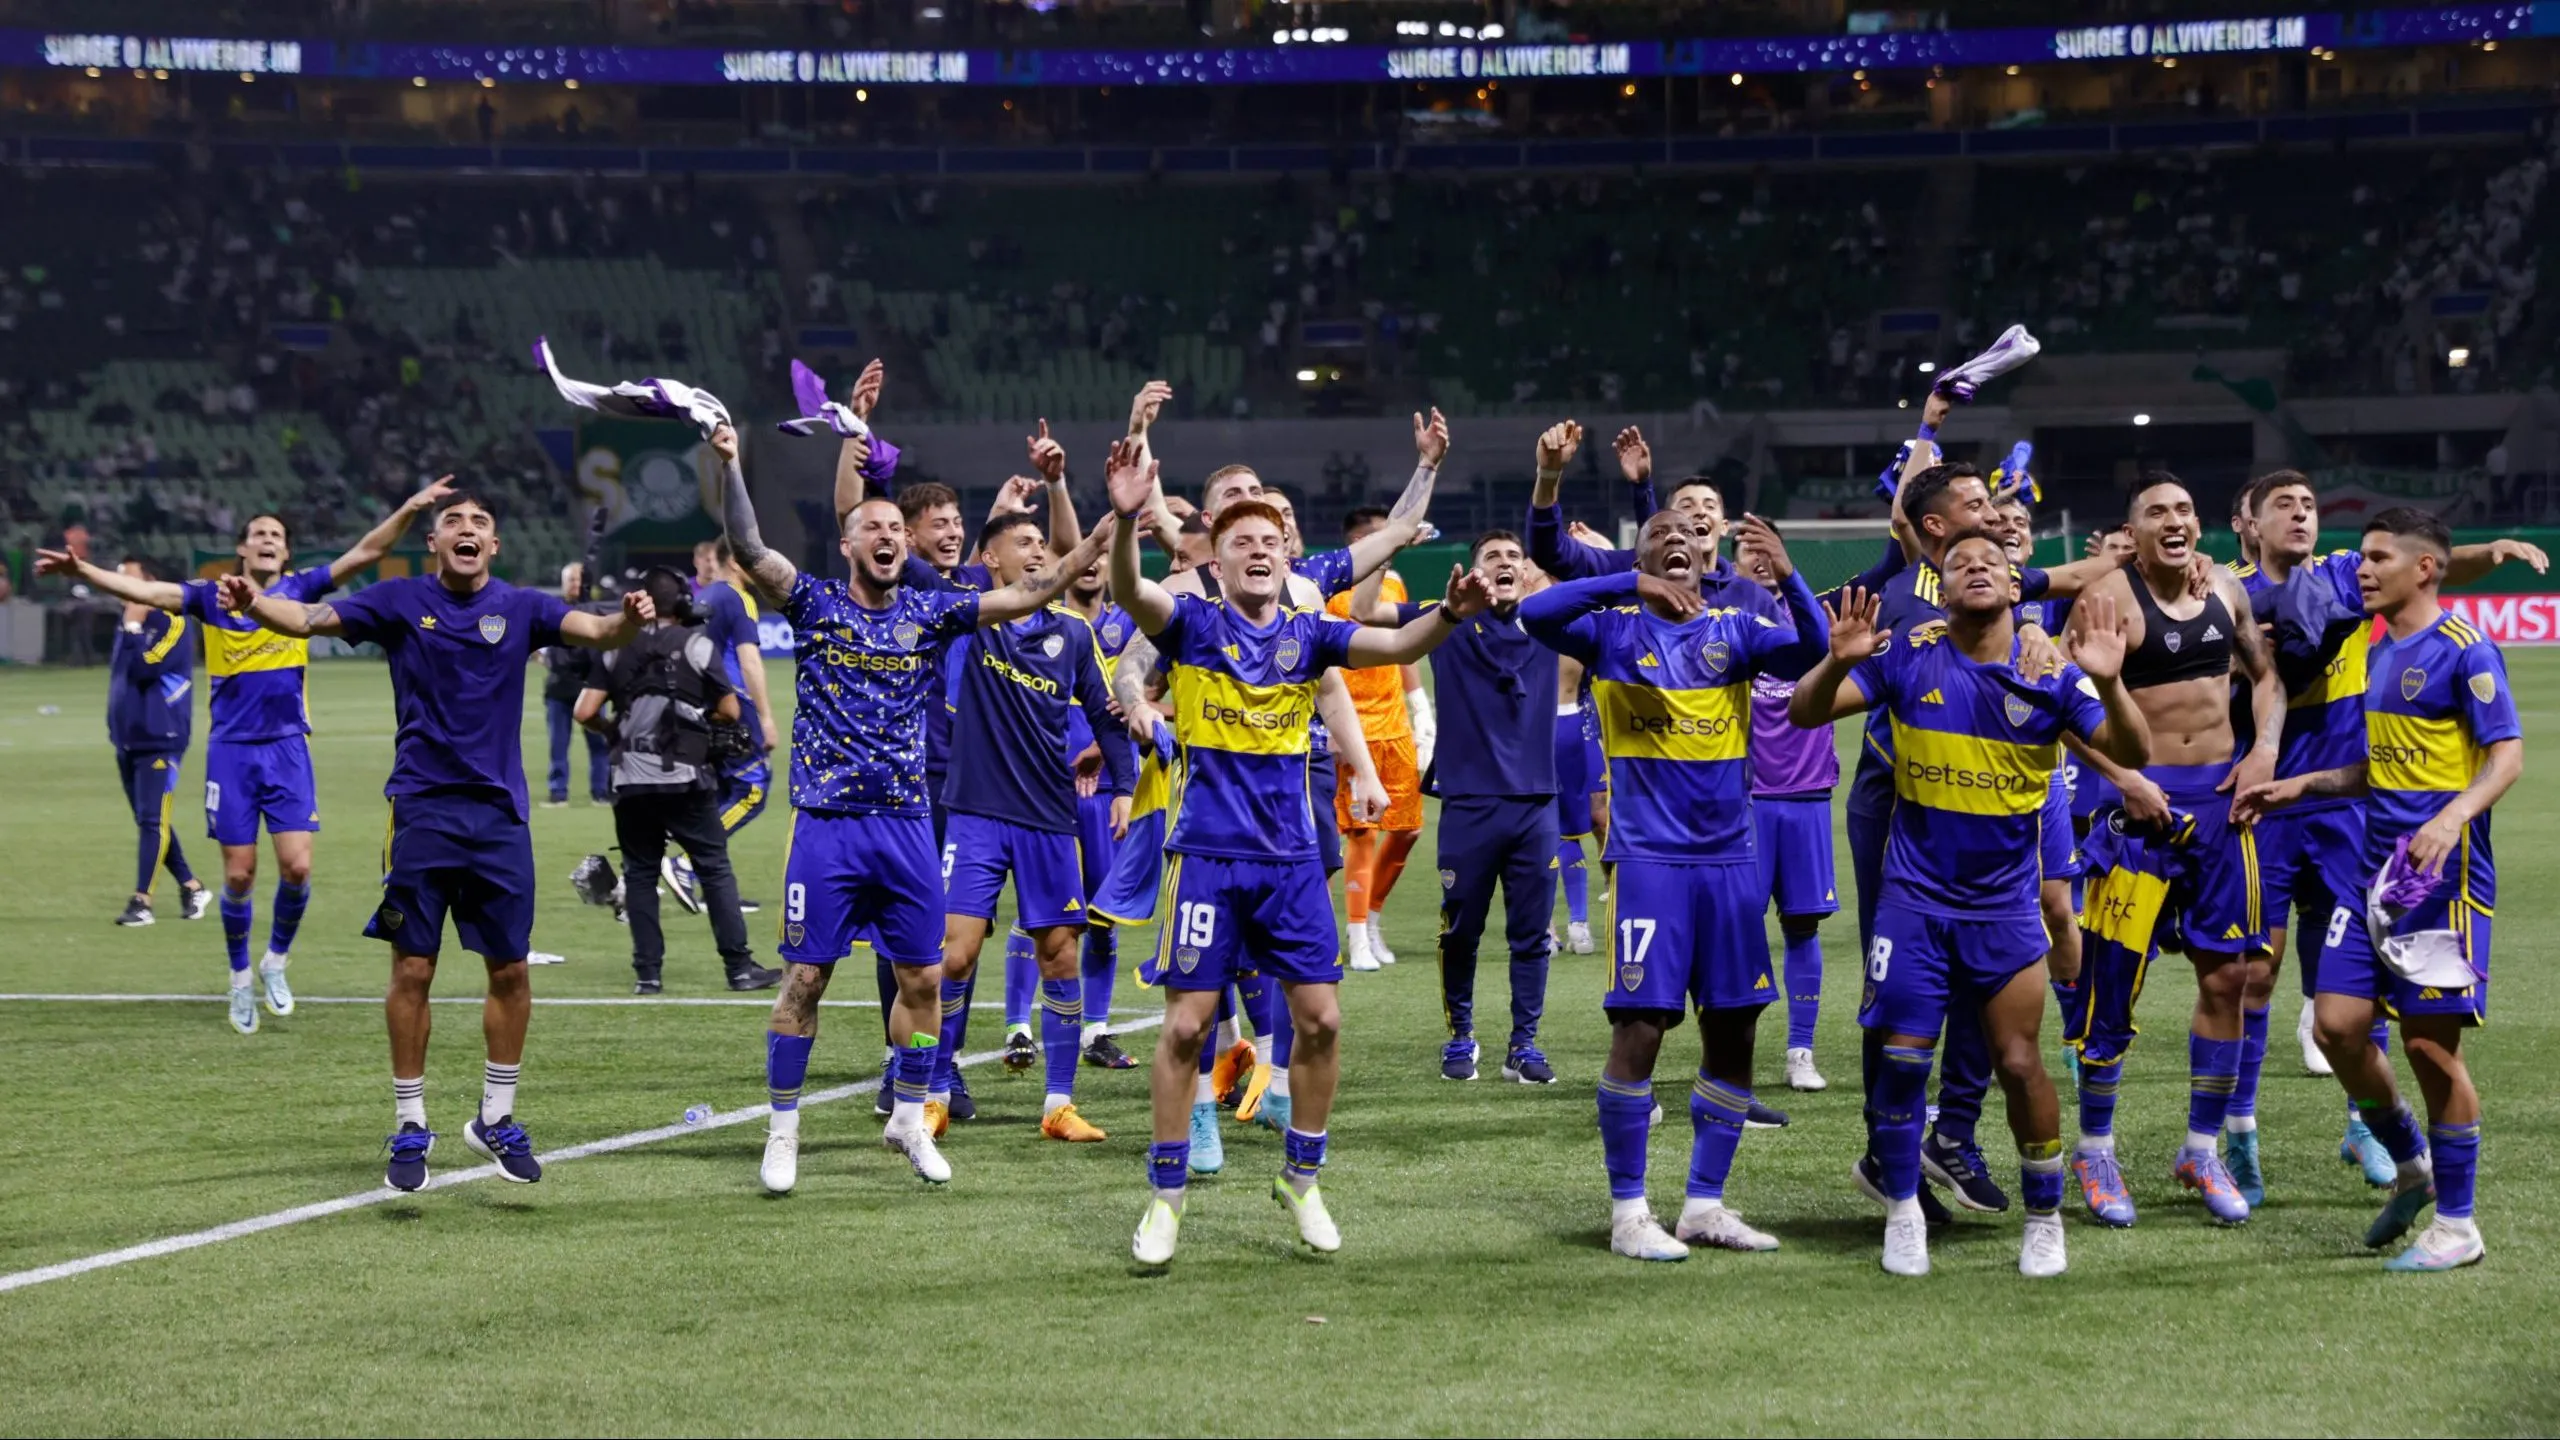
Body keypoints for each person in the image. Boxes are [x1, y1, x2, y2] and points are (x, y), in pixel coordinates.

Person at [1108, 440, 1492, 1266]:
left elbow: (1397, 648)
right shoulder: (1192, 621)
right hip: (1206, 855)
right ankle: (1167, 1197)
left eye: (1269, 540)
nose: (1256, 549)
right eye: (1239, 539)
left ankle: (1302, 1178)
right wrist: (1121, 519)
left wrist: (1454, 612)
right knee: (1185, 1026)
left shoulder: (1312, 633)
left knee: (1321, 1019)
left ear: (1288, 557)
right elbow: (1126, 591)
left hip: (1288, 861)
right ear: (1215, 555)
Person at [721, 420, 1120, 1196]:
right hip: (829, 827)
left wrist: (1111, 523)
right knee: (805, 982)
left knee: (927, 982)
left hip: (907, 825)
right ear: (846, 544)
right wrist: (730, 462)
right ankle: (783, 1131)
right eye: (872, 527)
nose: (888, 536)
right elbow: (746, 547)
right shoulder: (813, 604)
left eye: (896, 529)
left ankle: (910, 1116)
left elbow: (1036, 589)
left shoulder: (933, 613)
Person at [222, 489, 654, 1191]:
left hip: (499, 817)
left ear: (495, 547)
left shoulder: (521, 607)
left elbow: (599, 634)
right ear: (434, 544)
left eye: (481, 522)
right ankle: (410, 1123)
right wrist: (252, 605)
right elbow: (308, 618)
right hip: (421, 811)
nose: (467, 528)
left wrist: (629, 623)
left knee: (509, 971)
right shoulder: (398, 602)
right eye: (453, 521)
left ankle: (495, 1117)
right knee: (413, 971)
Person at [1790, 536, 2150, 1278]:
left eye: (1991, 561)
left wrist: (2111, 685)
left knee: (2019, 1065)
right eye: (1959, 564)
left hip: (2003, 910)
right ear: (1941, 588)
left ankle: (2045, 1219)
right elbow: (1804, 712)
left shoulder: (2047, 670)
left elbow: (2132, 751)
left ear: (2017, 586)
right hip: (1914, 905)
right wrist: (1838, 661)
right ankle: (1902, 1213)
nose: (1977, 568)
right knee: (1901, 1062)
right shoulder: (1909, 652)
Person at [1519, 446, 1828, 1264]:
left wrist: (1792, 579)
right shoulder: (1612, 631)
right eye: (1658, 533)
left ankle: (1704, 1204)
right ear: (1644, 555)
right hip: (1651, 862)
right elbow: (1534, 617)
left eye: (1687, 530)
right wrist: (1630, 583)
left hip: (1731, 861)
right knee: (1644, 1029)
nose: (1677, 535)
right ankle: (1628, 1213)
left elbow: (1815, 652)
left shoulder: (1736, 628)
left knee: (1733, 1033)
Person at [39, 478, 454, 1034]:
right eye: (257, 532)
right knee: (238, 877)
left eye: (276, 535)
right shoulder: (212, 596)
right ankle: (239, 980)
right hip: (231, 753)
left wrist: (408, 508)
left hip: (288, 748)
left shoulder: (302, 588)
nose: (266, 539)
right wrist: (82, 572)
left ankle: (275, 963)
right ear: (242, 548)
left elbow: (368, 552)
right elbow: (152, 593)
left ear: (285, 552)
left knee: (298, 867)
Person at [2235, 474, 2544, 1197]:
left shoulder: (2465, 648)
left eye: (2377, 558)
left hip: (2440, 881)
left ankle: (2456, 1220)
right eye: (2362, 558)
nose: (2362, 569)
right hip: (2373, 872)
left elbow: (2508, 757)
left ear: (2422, 569)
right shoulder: (2380, 653)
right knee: (2338, 1027)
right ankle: (2407, 1160)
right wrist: (2299, 786)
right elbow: (2380, 769)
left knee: (2430, 1049)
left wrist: (2448, 818)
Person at [2063, 473, 2281, 1230]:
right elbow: (2061, 707)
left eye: (2185, 508)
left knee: (2232, 979)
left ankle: (2201, 1148)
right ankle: (2094, 1150)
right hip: (2136, 816)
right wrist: (2123, 777)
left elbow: (2267, 680)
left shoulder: (2227, 588)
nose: (2175, 520)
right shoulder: (2107, 601)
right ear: (2135, 530)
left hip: (2223, 809)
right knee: (2112, 993)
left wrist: (2264, 753)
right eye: (2158, 511)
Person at [928, 509, 1134, 1144]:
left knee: (1060, 954)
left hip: (1049, 818)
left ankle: (1058, 1103)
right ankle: (935, 1089)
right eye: (1023, 543)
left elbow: (1105, 711)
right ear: (990, 560)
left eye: (1043, 544)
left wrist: (1124, 784)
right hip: (976, 814)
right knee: (954, 955)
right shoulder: (969, 616)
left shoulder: (1071, 632)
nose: (1039, 552)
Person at [1350, 530, 1562, 1083]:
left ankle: (1525, 1044)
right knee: (1460, 930)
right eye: (1492, 557)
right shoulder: (1447, 618)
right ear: (1475, 572)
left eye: (1515, 556)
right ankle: (1460, 1036)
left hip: (1537, 803)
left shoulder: (1548, 620)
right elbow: (1365, 609)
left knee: (1532, 933)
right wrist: (1388, 550)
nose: (1506, 563)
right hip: (1469, 803)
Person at [575, 565, 780, 996]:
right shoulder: (697, 645)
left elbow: (585, 711)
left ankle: (648, 975)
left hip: (630, 780)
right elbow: (729, 709)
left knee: (642, 872)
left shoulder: (616, 647)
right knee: (715, 868)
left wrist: (613, 731)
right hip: (687, 778)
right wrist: (697, 722)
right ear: (684, 604)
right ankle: (739, 968)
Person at [1738, 523, 1837, 1094]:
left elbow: (1828, 647)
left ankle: (1801, 1049)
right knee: (1739, 931)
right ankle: (1736, 1050)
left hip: (1805, 800)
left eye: (1765, 550)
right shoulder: (1724, 624)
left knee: (1802, 927)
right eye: (1745, 552)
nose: (1757, 561)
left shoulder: (1813, 620)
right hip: (1745, 803)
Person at [1329, 506, 1433, 973]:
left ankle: (1371, 918)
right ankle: (1356, 937)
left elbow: (1403, 643)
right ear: (1357, 545)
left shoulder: (1393, 586)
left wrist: (1420, 707)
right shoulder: (1330, 594)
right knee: (1362, 832)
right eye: (1379, 539)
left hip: (1394, 726)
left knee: (1408, 829)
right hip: (1354, 728)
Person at [665, 538, 780, 914]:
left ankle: (711, 885)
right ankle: (685, 865)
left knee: (714, 794)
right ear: (737, 562)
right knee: (752, 790)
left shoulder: (708, 595)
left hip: (695, 706)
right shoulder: (737, 597)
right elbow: (749, 662)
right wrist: (765, 717)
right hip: (730, 703)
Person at [105, 557, 209, 926]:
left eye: (128, 579)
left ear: (150, 583)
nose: (119, 586)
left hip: (161, 736)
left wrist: (132, 627)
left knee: (152, 820)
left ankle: (142, 902)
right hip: (129, 738)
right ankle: (192, 886)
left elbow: (145, 668)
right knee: (150, 820)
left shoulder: (172, 622)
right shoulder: (129, 623)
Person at [540, 561, 610, 808]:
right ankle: (558, 793)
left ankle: (601, 792)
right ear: (562, 583)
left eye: (578, 579)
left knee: (599, 743)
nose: (575, 584)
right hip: (559, 689)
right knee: (558, 744)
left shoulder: (595, 610)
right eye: (570, 579)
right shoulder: (551, 609)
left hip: (590, 687)